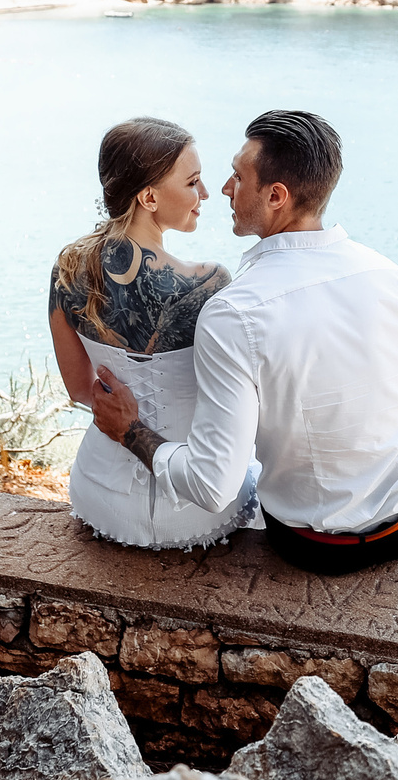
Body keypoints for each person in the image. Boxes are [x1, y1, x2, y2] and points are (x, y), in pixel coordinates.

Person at [88, 108, 398, 575]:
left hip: (309, 545)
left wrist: (130, 431)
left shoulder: (234, 311)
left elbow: (214, 486)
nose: (225, 189)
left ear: (276, 195)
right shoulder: (388, 274)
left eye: (237, 176)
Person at [48, 117, 262, 548]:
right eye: (193, 182)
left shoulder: (68, 268)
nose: (204, 194)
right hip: (197, 510)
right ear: (148, 196)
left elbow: (78, 388)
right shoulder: (210, 283)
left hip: (100, 495)